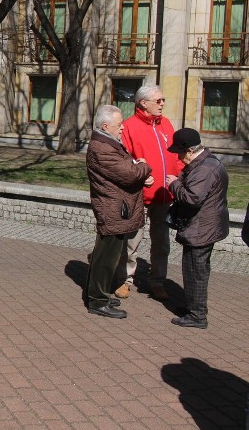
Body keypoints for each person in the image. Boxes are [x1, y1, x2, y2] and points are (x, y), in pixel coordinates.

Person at [85, 105, 152, 319]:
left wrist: (139, 170)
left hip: (117, 208)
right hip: (112, 209)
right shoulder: (102, 147)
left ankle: (100, 294)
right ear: (106, 126)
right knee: (105, 258)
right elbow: (129, 173)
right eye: (119, 124)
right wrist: (144, 167)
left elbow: (128, 169)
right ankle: (98, 300)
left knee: (108, 257)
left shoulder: (109, 143)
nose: (123, 128)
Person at [116, 85, 182, 301]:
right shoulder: (128, 128)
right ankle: (125, 280)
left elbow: (176, 157)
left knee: (161, 242)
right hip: (139, 196)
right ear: (143, 103)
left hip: (164, 196)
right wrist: (140, 177)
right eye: (159, 100)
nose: (163, 103)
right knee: (132, 241)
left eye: (163, 100)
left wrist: (179, 178)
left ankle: (157, 282)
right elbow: (124, 163)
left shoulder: (167, 125)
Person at [165, 128, 229, 329]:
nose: (178, 156)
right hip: (204, 226)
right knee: (196, 270)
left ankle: (197, 315)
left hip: (201, 228)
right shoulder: (206, 163)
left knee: (195, 271)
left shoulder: (204, 169)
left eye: (180, 152)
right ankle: (194, 308)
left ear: (190, 150)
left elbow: (193, 198)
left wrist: (174, 184)